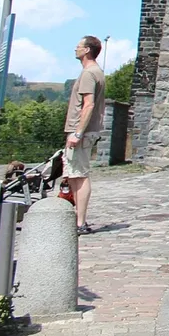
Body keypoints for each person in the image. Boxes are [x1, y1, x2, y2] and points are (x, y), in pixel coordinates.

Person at [64, 35, 107, 235]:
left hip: (81, 131)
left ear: (87, 50)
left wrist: (78, 132)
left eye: (78, 45)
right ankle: (76, 218)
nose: (75, 48)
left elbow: (88, 105)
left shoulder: (89, 74)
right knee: (73, 174)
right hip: (81, 131)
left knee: (79, 175)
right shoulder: (94, 72)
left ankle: (80, 222)